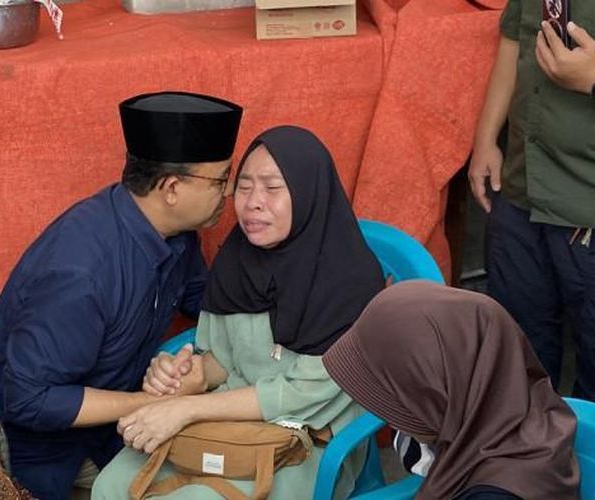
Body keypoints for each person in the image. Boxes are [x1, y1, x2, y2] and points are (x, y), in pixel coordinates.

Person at [0, 91, 243, 499]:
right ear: (172, 188)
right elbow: (30, 400)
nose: (228, 194)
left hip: (104, 434)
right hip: (13, 449)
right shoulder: (81, 271)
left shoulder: (176, 234)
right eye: (220, 180)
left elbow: (203, 299)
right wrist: (150, 402)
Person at [91, 125, 386, 499]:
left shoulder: (351, 281)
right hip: (225, 418)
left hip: (304, 436)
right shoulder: (238, 262)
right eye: (244, 187)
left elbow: (301, 396)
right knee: (111, 485)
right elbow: (223, 357)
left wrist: (187, 409)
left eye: (272, 188)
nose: (253, 202)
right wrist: (191, 373)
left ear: (309, 192)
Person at [468, 2, 595, 412]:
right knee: (517, 362)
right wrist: (486, 138)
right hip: (522, 188)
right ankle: (535, 451)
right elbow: (515, 38)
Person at [323, 281, 580, 500]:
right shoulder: (495, 404)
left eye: (395, 401)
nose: (390, 419)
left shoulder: (498, 491)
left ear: (441, 393)